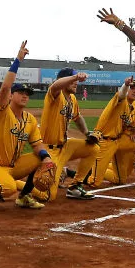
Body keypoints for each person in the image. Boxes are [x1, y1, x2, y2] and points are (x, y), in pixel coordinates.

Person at [0, 41, 53, 212]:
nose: (25, 96)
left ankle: (24, 196)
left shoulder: (30, 119)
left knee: (41, 157)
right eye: (21, 93)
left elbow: (36, 144)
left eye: (27, 94)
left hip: (14, 165)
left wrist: (46, 157)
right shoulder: (2, 111)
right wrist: (18, 60)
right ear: (11, 96)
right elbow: (5, 87)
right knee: (8, 188)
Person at [70, 77, 135, 189]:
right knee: (94, 182)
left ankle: (100, 168)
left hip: (117, 141)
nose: (134, 91)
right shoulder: (119, 101)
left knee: (119, 179)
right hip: (104, 142)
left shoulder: (134, 109)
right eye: (132, 88)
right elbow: (121, 95)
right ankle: (69, 172)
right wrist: (125, 85)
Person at [34, 67, 99, 202]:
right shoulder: (55, 95)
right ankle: (24, 187)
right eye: (72, 79)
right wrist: (75, 77)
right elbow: (55, 86)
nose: (76, 83)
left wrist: (87, 133)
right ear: (64, 80)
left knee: (93, 148)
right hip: (49, 150)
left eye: (76, 79)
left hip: (65, 146)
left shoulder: (72, 99)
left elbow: (77, 117)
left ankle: (75, 186)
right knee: (47, 196)